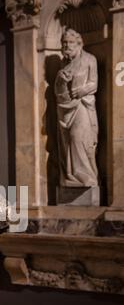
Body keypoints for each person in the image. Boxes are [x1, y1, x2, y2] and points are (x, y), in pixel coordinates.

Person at [55, 28, 99, 187]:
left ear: (78, 43)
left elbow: (94, 83)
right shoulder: (63, 64)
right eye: (64, 42)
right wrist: (60, 80)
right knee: (68, 142)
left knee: (78, 138)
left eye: (71, 42)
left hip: (83, 105)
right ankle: (71, 175)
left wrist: (82, 90)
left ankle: (86, 176)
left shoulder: (89, 59)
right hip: (66, 109)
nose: (67, 45)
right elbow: (58, 92)